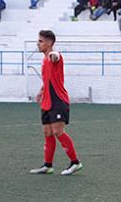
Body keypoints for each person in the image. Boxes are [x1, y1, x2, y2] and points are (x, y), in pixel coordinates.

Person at [29, 29, 83, 177]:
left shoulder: (54, 56)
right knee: (47, 132)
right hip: (47, 101)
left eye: (40, 41)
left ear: (49, 43)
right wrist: (41, 91)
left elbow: (56, 56)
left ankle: (75, 162)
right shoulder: (44, 60)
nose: (38, 44)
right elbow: (47, 79)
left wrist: (54, 54)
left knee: (58, 132)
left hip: (58, 101)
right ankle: (48, 165)